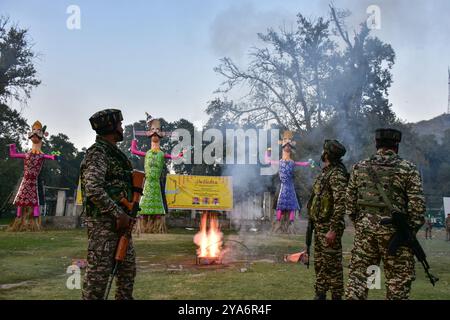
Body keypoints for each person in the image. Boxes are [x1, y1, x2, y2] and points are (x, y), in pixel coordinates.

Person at [345, 128, 426, 300]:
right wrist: (406, 232)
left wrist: (362, 224)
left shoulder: (359, 168)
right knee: (397, 284)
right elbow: (418, 211)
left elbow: (350, 206)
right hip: (396, 235)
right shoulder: (408, 169)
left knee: (358, 281)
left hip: (365, 234)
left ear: (376, 144)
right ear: (396, 146)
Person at [80, 109, 136, 300]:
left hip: (122, 226)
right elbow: (93, 187)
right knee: (97, 282)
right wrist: (117, 213)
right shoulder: (98, 153)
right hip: (104, 227)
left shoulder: (114, 154)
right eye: (119, 124)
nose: (122, 127)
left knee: (127, 278)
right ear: (111, 128)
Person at [306, 139, 348, 300]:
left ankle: (336, 296)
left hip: (329, 228)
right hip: (319, 226)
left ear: (327, 154)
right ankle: (320, 294)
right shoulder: (326, 172)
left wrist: (333, 229)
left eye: (324, 151)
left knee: (333, 266)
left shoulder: (336, 174)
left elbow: (340, 203)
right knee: (320, 264)